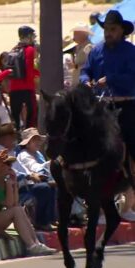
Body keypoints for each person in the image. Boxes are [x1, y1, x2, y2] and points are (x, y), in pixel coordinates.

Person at [80, 10, 135, 221]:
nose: (109, 33)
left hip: (126, 105)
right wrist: (85, 80)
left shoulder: (131, 52)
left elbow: (132, 77)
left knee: (132, 141)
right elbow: (86, 70)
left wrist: (109, 79)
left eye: (113, 29)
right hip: (101, 107)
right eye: (107, 29)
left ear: (121, 31)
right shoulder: (96, 51)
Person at [0, 124, 57, 231]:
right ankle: (41, 221)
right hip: (11, 186)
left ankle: (47, 219)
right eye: (11, 139)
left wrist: (32, 175)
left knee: (49, 187)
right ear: (3, 139)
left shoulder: (12, 152)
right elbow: (9, 171)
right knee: (44, 188)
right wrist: (29, 176)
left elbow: (22, 169)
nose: (14, 141)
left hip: (21, 184)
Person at [0, 157, 57, 256]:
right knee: (16, 210)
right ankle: (31, 246)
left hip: (3, 217)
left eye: (10, 165)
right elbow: (9, 204)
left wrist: (14, 185)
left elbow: (15, 203)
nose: (10, 168)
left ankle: (36, 243)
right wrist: (10, 186)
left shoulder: (6, 181)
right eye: (7, 165)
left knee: (18, 209)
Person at [9, 26, 40, 130]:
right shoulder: (30, 49)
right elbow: (29, 68)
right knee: (32, 114)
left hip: (14, 88)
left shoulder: (14, 49)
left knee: (16, 117)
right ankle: (29, 135)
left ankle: (17, 136)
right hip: (27, 87)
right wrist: (38, 75)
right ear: (29, 36)